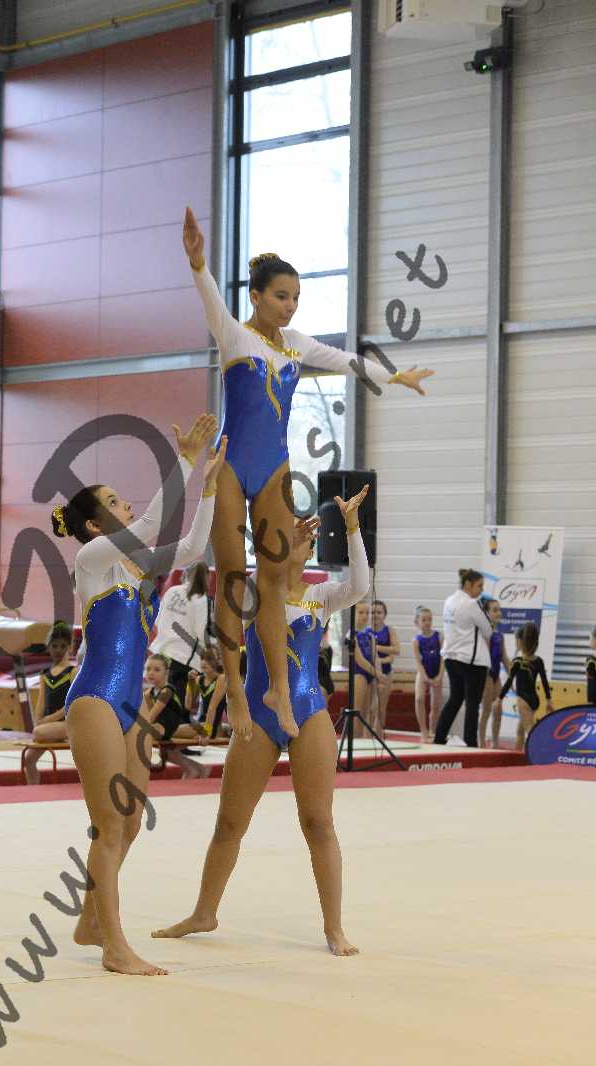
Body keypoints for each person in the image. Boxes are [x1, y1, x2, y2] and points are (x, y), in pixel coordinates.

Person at [182, 206, 433, 746]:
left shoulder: (295, 343)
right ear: (256, 296)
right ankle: (233, 687)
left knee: (274, 578)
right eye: (281, 296)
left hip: (274, 466)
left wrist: (396, 376)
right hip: (231, 466)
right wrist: (198, 263)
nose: (290, 305)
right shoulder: (234, 335)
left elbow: (346, 361)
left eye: (295, 297)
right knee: (233, 579)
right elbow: (209, 301)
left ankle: (277, 687)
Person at [152, 485, 371, 957]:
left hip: (309, 711)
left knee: (318, 821)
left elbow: (360, 586)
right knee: (230, 822)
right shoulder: (254, 589)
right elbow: (234, 623)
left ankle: (334, 927)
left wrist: (352, 526)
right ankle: (204, 912)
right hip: (258, 713)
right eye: (292, 534)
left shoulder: (320, 596)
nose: (304, 538)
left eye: (308, 537)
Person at [53, 414, 226, 976]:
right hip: (95, 699)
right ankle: (114, 946)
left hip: (128, 705)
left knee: (129, 823)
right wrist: (186, 458)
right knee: (109, 826)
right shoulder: (91, 562)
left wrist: (209, 490)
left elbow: (193, 548)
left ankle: (89, 919)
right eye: (114, 501)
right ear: (95, 523)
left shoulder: (134, 568)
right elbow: (152, 521)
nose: (125, 504)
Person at [433, 568, 493, 748]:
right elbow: (488, 630)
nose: (481, 590)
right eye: (479, 586)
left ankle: (439, 737)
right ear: (468, 584)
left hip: (451, 658)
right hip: (471, 661)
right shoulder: (471, 604)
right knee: (472, 704)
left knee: (455, 698)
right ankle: (471, 743)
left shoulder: (449, 601)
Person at [149, 560, 211, 708]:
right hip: (182, 660)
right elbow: (201, 632)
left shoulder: (172, 591)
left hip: (159, 654)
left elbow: (157, 621)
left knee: (158, 704)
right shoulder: (201, 599)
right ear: (206, 578)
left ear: (186, 574)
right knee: (176, 707)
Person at [143, 652, 209, 781]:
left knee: (139, 733)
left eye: (157, 670)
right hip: (168, 729)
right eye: (148, 669)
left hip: (172, 727)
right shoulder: (149, 693)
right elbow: (148, 716)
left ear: (167, 672)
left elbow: (151, 717)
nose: (151, 673)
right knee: (168, 751)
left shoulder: (167, 691)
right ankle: (198, 768)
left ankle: (140, 766)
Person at [23, 622, 75, 785]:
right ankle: (33, 790)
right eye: (54, 646)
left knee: (39, 732)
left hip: (67, 723)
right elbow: (41, 702)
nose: (58, 650)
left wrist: (49, 720)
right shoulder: (45, 674)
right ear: (48, 647)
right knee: (29, 760)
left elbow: (71, 705)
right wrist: (38, 720)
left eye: (63, 646)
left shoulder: (72, 672)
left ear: (70, 647)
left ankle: (48, 731)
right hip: (48, 726)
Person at [494, 621, 553, 752]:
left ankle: (543, 754)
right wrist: (549, 701)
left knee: (530, 732)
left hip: (523, 701)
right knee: (520, 732)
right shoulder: (539, 661)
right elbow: (544, 682)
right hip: (534, 700)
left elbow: (509, 682)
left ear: (520, 642)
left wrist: (499, 699)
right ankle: (518, 756)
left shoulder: (518, 662)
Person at [478, 599, 512, 748]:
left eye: (499, 609)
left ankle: (495, 742)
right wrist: (486, 678)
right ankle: (480, 743)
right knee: (486, 710)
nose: (499, 612)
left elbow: (504, 658)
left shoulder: (499, 635)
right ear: (486, 613)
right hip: (486, 675)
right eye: (495, 610)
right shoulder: (484, 633)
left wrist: (512, 675)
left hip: (496, 675)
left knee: (498, 709)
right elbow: (483, 657)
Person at [368, 600, 399, 737]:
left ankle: (379, 734)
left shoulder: (389, 630)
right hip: (370, 672)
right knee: (370, 707)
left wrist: (377, 648)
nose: (376, 615)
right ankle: (368, 735)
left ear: (384, 614)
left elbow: (396, 650)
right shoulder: (366, 631)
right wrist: (385, 656)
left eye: (379, 612)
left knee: (381, 706)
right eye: (373, 612)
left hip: (386, 672)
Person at [412, 606, 443, 743]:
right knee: (419, 699)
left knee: (436, 704)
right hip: (423, 672)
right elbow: (418, 662)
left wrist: (440, 676)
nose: (427, 622)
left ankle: (433, 730)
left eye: (429, 619)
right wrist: (425, 677)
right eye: (424, 620)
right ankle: (423, 731)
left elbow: (443, 658)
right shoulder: (416, 640)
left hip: (437, 672)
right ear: (417, 622)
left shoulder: (439, 636)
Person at [349, 599, 377, 738]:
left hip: (371, 673)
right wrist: (377, 673)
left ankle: (364, 739)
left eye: (367, 613)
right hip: (359, 673)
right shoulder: (351, 634)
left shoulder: (370, 634)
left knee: (368, 711)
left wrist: (377, 673)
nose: (365, 616)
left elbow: (374, 656)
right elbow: (359, 659)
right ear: (354, 614)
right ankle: (355, 738)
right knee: (357, 711)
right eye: (361, 613)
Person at [190, 647, 227, 739]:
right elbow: (188, 705)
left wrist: (207, 732)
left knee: (170, 731)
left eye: (209, 659)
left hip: (209, 725)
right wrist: (190, 683)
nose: (204, 662)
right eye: (202, 658)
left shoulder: (221, 679)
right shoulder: (199, 679)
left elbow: (212, 708)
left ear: (218, 661)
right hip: (199, 722)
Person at [586, 628, 596, 705]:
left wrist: (590, 703)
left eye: (591, 638)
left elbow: (591, 686)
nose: (590, 640)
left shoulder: (591, 660)